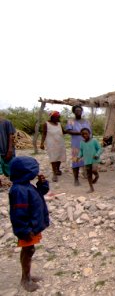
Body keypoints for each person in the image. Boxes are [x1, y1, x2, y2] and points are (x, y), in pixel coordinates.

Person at [8, 156, 50, 292]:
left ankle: (28, 276)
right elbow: (18, 213)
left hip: (32, 226)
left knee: (29, 250)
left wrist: (42, 185)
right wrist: (24, 230)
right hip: (27, 228)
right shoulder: (19, 190)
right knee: (28, 250)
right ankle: (25, 278)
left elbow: (40, 194)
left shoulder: (25, 185)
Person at [66, 105, 91, 186]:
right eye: (76, 110)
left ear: (82, 111)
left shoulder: (86, 121)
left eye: (80, 110)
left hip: (86, 143)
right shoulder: (71, 121)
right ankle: (76, 179)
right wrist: (80, 133)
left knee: (87, 160)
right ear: (74, 112)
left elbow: (90, 133)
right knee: (76, 161)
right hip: (76, 144)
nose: (78, 112)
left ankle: (87, 175)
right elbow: (68, 131)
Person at [40, 111, 67, 182]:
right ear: (52, 117)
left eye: (58, 117)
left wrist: (72, 130)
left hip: (60, 143)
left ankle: (58, 169)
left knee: (59, 157)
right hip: (51, 143)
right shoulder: (46, 124)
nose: (58, 118)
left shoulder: (59, 124)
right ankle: (54, 174)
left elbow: (63, 132)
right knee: (53, 158)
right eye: (56, 117)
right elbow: (44, 134)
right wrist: (42, 143)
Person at [77, 128, 103, 193]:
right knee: (89, 174)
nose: (84, 135)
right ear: (81, 135)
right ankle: (91, 188)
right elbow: (81, 151)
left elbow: (100, 149)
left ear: (89, 133)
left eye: (86, 133)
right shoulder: (82, 142)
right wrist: (78, 157)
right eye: (83, 134)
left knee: (93, 170)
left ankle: (96, 175)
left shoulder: (94, 140)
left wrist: (97, 154)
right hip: (87, 161)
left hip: (94, 159)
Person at [0, 116, 16, 183]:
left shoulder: (7, 123)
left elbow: (11, 137)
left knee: (11, 168)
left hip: (6, 149)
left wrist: (10, 149)